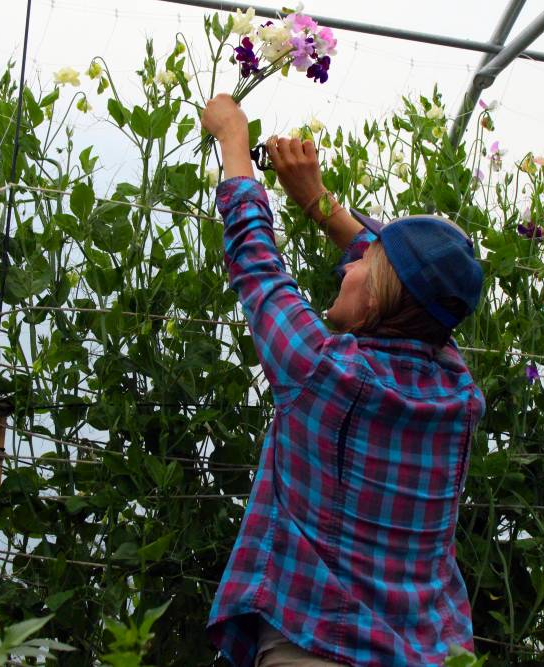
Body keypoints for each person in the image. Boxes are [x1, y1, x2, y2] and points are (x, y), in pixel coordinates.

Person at [200, 94, 486, 667]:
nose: (347, 264)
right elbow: (423, 293)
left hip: (315, 646)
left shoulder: (322, 371)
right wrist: (317, 201)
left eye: (361, 264)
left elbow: (257, 264)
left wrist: (232, 138)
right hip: (427, 653)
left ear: (378, 291)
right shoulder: (458, 392)